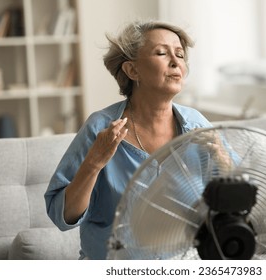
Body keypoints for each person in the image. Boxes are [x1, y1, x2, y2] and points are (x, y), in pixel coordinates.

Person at [44, 20, 213, 260]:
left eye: (180, 55)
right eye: (162, 53)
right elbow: (63, 217)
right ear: (133, 71)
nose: (176, 62)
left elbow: (237, 200)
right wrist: (94, 162)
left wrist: (223, 160)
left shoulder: (197, 125)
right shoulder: (100, 127)